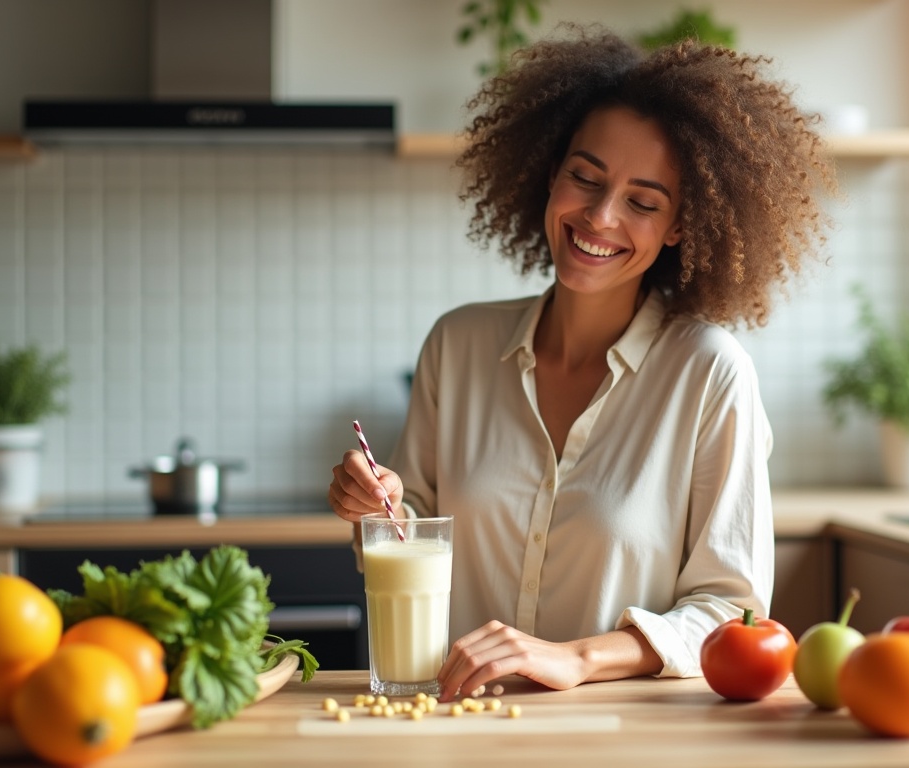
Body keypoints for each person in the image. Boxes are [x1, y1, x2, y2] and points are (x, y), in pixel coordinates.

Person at [328, 22, 835, 700]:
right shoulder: (457, 346)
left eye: (643, 202)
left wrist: (577, 658)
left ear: (681, 225)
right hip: (457, 726)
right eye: (584, 178)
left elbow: (730, 610)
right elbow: (407, 528)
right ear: (551, 175)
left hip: (620, 736)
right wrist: (378, 504)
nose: (599, 217)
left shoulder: (711, 374)